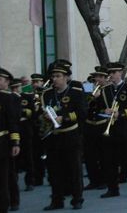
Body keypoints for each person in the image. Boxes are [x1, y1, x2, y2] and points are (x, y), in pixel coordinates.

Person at [41, 61, 87, 210]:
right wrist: (44, 117)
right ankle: (57, 199)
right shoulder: (47, 94)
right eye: (53, 76)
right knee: (54, 170)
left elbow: (82, 113)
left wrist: (65, 118)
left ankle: (77, 198)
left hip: (70, 135)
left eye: (58, 76)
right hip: (54, 136)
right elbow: (43, 110)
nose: (55, 79)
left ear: (66, 77)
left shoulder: (75, 92)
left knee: (74, 169)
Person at [98, 62, 127, 199]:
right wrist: (104, 110)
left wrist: (121, 114)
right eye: (109, 73)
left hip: (125, 128)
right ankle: (113, 188)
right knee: (110, 161)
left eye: (113, 73)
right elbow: (98, 109)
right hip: (111, 130)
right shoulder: (105, 90)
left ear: (120, 73)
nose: (110, 75)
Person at [0, 67, 21, 213]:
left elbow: (12, 122)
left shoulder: (6, 97)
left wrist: (15, 142)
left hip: (0, 143)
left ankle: (4, 206)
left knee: (3, 178)